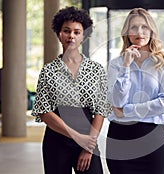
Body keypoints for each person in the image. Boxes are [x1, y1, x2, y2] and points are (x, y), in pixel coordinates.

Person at [31, 6, 110, 174]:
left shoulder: (96, 70)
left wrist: (89, 146)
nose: (71, 36)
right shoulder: (49, 71)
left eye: (76, 32)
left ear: (84, 35)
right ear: (59, 33)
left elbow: (101, 110)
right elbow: (44, 112)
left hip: (88, 136)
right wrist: (77, 137)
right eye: (66, 31)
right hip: (56, 140)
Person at [106, 8, 164, 174]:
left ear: (152, 30)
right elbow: (116, 101)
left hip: (153, 135)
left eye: (144, 27)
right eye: (134, 27)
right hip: (120, 135)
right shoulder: (116, 64)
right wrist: (125, 66)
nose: (140, 32)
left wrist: (127, 111)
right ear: (127, 32)